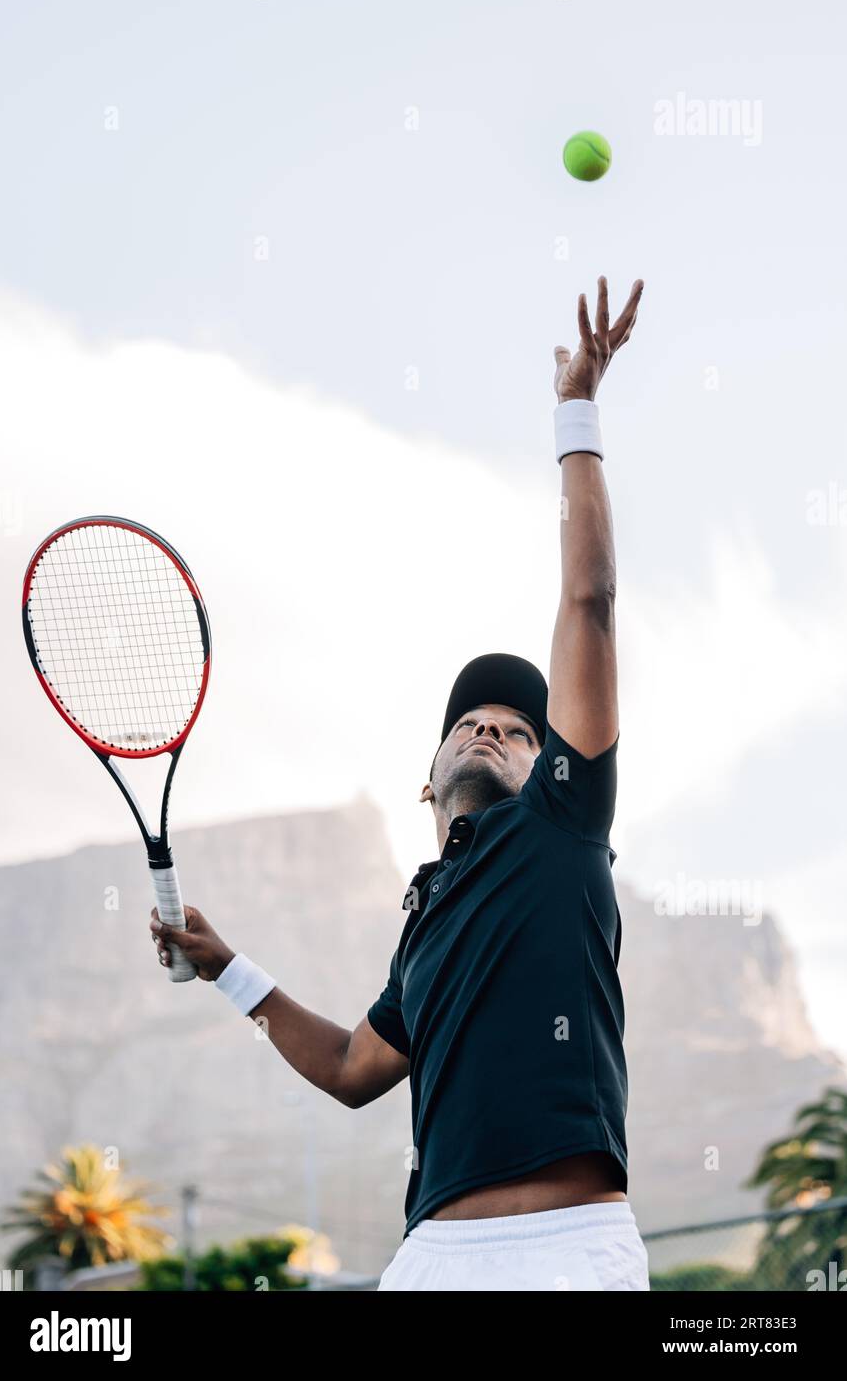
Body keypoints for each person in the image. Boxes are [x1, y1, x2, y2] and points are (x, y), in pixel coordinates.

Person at [150, 275, 648, 1291]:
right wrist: (226, 968)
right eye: (470, 720)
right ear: (429, 781)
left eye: (518, 728)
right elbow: (348, 1070)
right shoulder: (424, 924)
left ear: (548, 761)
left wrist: (577, 412)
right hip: (431, 1255)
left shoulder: (566, 820)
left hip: (571, 1249)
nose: (490, 726)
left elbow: (589, 600)